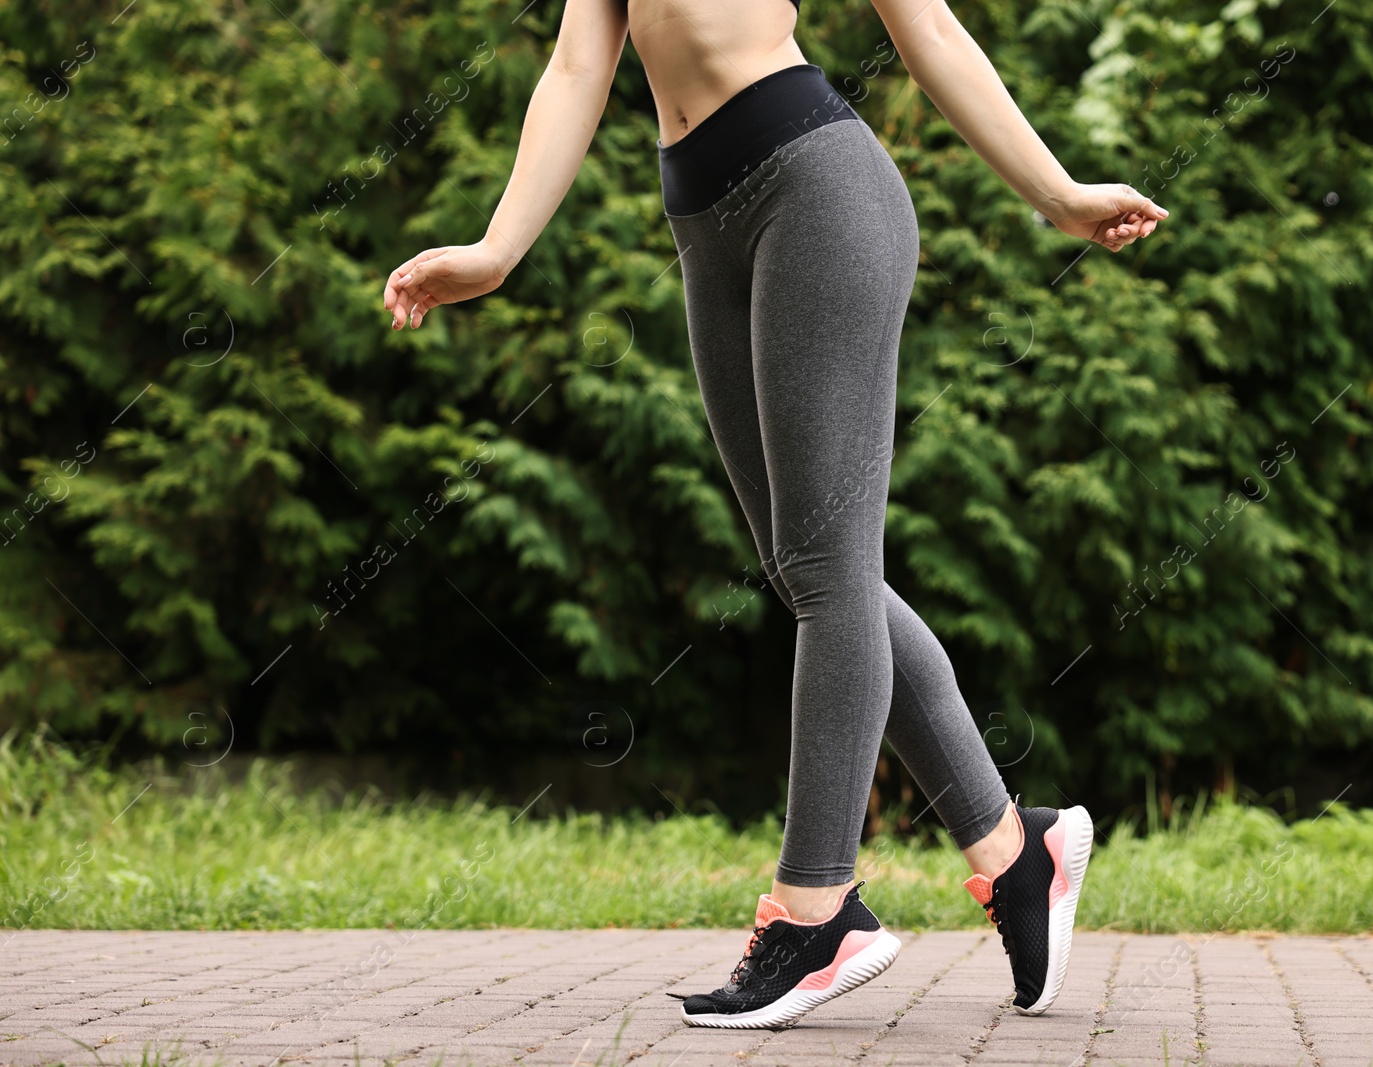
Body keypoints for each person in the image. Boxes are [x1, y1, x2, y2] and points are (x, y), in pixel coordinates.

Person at [383, 0, 1165, 1030]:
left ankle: (817, 909)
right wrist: (496, 250)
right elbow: (578, 65)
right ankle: (1018, 851)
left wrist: (1058, 194)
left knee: (827, 570)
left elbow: (926, 30)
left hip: (818, 188)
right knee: (814, 568)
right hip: (704, 222)